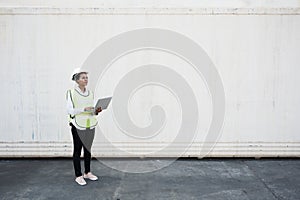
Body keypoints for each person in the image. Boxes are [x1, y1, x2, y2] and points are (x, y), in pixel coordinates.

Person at [66, 69, 102, 186]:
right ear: (77, 80)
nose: (86, 79)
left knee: (88, 149)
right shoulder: (71, 93)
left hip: (89, 124)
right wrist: (83, 109)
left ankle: (87, 172)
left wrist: (96, 111)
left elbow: (91, 111)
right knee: (77, 150)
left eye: (86, 77)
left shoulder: (90, 93)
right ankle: (78, 175)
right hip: (77, 124)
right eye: (83, 77)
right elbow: (70, 110)